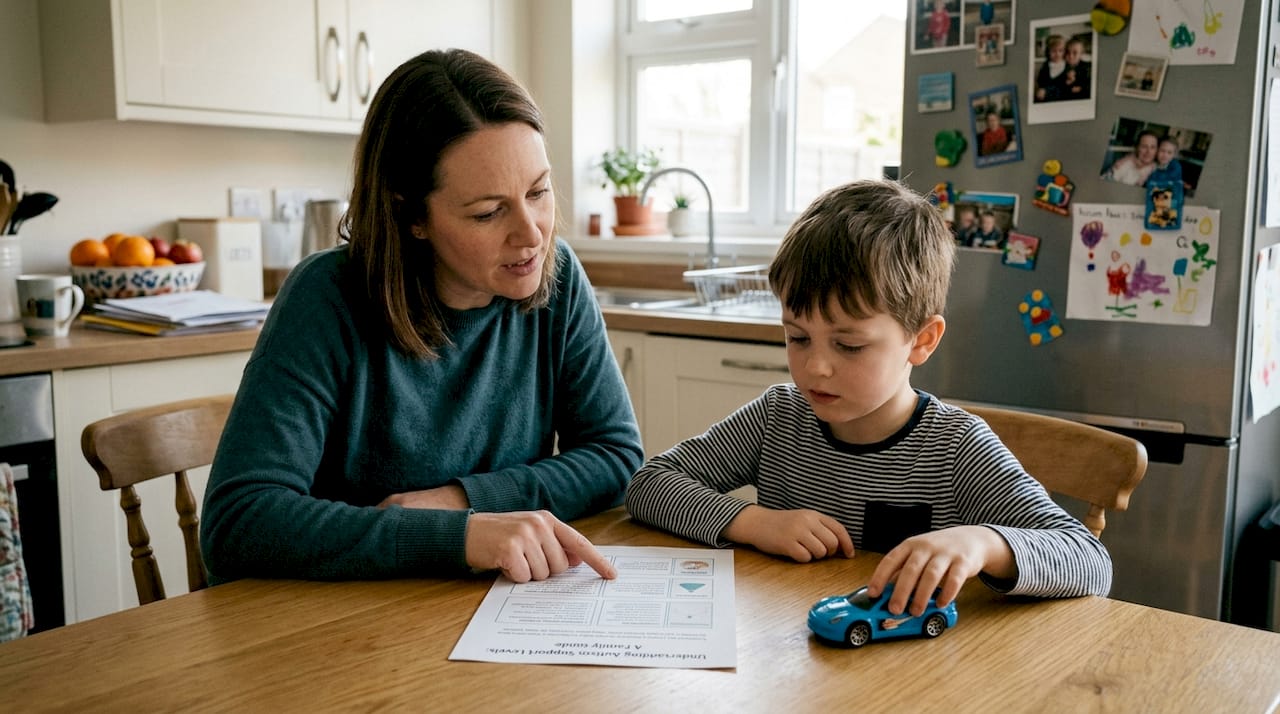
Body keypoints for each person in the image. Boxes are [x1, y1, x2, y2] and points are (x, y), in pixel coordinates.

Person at [201, 49, 644, 585]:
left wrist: (462, 502)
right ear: (411, 216)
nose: (532, 233)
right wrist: (459, 538)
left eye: (538, 192)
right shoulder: (325, 297)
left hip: (486, 609)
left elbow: (615, 457)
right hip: (339, 627)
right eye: (488, 212)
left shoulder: (559, 276)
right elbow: (239, 523)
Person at [625, 179, 1111, 619]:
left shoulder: (956, 448)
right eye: (797, 338)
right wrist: (753, 522)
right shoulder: (777, 418)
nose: (816, 367)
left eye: (849, 345)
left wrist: (984, 542)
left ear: (922, 341)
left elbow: (1087, 558)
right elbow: (649, 485)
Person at [1033, 35, 1067, 102]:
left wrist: (1047, 91)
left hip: (1061, 96)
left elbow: (1064, 86)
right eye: (1054, 51)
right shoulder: (1046, 66)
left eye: (1060, 51)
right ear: (1048, 52)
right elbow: (1041, 82)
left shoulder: (1067, 65)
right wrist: (1041, 90)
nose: (1057, 54)